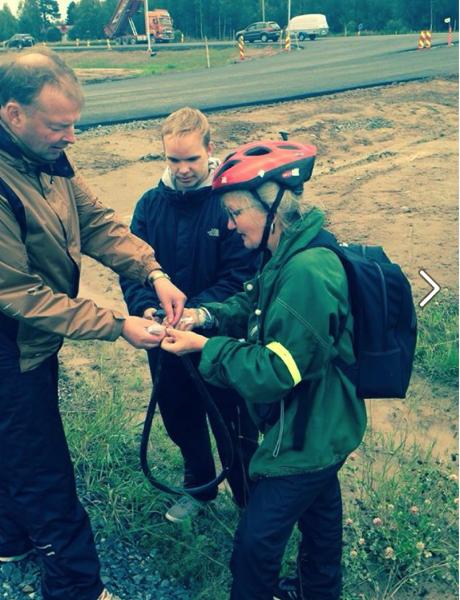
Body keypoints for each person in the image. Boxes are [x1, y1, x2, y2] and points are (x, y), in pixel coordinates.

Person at [0, 48, 186, 600]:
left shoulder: (45, 159)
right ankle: (77, 587)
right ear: (13, 114)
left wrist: (153, 271)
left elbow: (98, 222)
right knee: (42, 467)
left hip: (29, 341)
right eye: (60, 125)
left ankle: (11, 537)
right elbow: (20, 294)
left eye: (74, 123)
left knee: (16, 448)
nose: (72, 137)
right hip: (10, 345)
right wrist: (116, 325)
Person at [160, 139, 368, 599]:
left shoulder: (308, 272)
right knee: (320, 517)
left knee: (254, 546)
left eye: (235, 213)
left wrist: (203, 347)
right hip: (321, 423)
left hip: (305, 435)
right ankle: (319, 591)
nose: (230, 225)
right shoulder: (288, 254)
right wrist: (204, 317)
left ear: (271, 204)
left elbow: (274, 370)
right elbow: (252, 301)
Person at [120, 107, 259, 522]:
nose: (182, 169)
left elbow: (241, 277)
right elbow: (132, 268)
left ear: (209, 151)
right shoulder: (149, 205)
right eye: (173, 160)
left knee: (234, 428)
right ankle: (200, 489)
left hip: (217, 339)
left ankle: (249, 502)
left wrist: (198, 314)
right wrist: (145, 309)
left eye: (191, 160)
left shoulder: (228, 204)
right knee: (180, 419)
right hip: (163, 343)